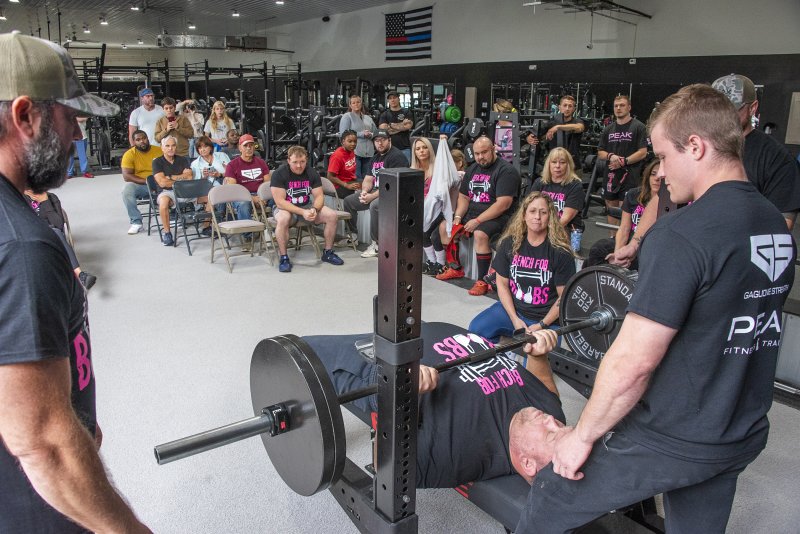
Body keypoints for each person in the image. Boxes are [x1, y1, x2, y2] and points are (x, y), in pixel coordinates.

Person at [517, 84, 796, 534]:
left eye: (664, 157)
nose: (660, 173)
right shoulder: (773, 223)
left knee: (554, 492)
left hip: (675, 436)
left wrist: (580, 438)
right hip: (738, 430)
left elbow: (633, 361)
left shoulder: (681, 233)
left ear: (697, 146)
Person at [0, 32, 150, 533]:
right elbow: (42, 443)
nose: (78, 138)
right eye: (69, 119)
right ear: (26, 116)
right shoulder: (23, 246)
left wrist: (76, 412)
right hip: (35, 503)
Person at [303, 322, 568, 488]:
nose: (550, 420)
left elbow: (386, 470)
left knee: (298, 353)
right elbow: (547, 391)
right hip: (425, 333)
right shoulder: (547, 414)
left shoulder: (465, 456)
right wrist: (540, 356)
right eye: (560, 425)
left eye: (551, 432)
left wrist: (405, 394)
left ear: (528, 464)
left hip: (382, 371)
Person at [469, 192, 575, 345]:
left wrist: (541, 325)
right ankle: (508, 344)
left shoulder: (561, 252)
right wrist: (515, 319)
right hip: (514, 311)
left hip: (546, 319)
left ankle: (516, 344)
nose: (537, 217)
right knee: (475, 330)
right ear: (524, 215)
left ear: (550, 217)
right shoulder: (509, 243)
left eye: (543, 212)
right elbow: (502, 285)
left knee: (533, 361)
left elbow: (563, 298)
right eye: (532, 211)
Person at [712, 73, 800, 230]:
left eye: (732, 109)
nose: (723, 116)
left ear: (752, 108)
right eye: (717, 109)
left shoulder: (776, 158)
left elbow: (781, 225)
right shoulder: (699, 146)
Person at [436, 136, 521, 296]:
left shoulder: (506, 171)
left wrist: (477, 221)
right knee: (445, 227)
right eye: (477, 153)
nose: (480, 157)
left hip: (499, 216)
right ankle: (455, 268)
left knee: (480, 234)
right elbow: (465, 197)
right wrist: (458, 217)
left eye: (484, 152)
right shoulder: (472, 169)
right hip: (473, 212)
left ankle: (482, 280)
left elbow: (503, 204)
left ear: (493, 149)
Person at [269, 145, 344, 272]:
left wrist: (314, 209)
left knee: (331, 215)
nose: (299, 166)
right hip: (285, 208)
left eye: (302, 162)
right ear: (288, 161)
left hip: (306, 205)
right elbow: (280, 202)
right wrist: (302, 212)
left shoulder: (311, 172)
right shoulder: (279, 174)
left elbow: (319, 196)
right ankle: (284, 257)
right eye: (295, 162)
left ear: (306, 160)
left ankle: (328, 252)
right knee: (283, 219)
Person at [342, 129, 409, 258]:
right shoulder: (375, 157)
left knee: (375, 205)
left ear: (389, 140)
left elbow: (392, 184)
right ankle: (353, 235)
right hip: (376, 191)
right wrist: (364, 192)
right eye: (377, 141)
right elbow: (368, 179)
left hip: (393, 193)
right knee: (349, 201)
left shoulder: (397, 157)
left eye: (383, 140)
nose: (380, 143)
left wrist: (372, 197)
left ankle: (377, 244)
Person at [586, 159, 660, 269]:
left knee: (640, 261)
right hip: (631, 239)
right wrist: (617, 255)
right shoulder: (633, 194)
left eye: (661, 176)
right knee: (598, 250)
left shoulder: (671, 201)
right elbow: (624, 228)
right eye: (653, 174)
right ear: (647, 176)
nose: (657, 179)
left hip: (653, 245)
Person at [24, 189, 97, 290]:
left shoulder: (51, 198)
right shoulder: (19, 200)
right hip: (29, 237)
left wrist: (45, 201)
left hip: (52, 236)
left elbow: (58, 224)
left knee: (56, 232)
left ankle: (80, 275)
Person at [597, 95, 648, 230]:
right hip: (611, 175)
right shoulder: (608, 129)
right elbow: (600, 152)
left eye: (622, 105)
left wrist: (624, 161)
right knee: (611, 208)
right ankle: (613, 239)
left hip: (630, 176)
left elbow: (642, 152)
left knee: (625, 208)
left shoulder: (639, 127)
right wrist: (611, 156)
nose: (618, 108)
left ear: (629, 107)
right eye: (616, 106)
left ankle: (623, 241)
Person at [531, 148, 585, 252]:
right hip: (540, 225)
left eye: (562, 162)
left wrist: (543, 233)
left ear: (568, 165)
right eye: (554, 162)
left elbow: (565, 219)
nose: (557, 166)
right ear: (549, 164)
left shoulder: (575, 186)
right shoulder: (539, 183)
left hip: (564, 228)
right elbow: (530, 209)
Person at [152, 136, 193, 247]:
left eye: (173, 145)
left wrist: (170, 177)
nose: (171, 148)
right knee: (164, 202)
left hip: (185, 190)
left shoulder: (183, 159)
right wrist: (181, 177)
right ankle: (167, 233)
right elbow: (162, 183)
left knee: (209, 196)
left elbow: (189, 177)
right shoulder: (157, 162)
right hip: (167, 192)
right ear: (162, 147)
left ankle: (206, 226)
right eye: (167, 146)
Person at [121, 130, 163, 235]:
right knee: (127, 190)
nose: (142, 141)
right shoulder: (129, 154)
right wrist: (147, 181)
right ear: (134, 142)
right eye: (138, 140)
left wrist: (160, 180)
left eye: (143, 138)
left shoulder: (159, 151)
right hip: (142, 185)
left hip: (160, 183)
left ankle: (172, 215)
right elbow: (126, 176)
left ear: (147, 138)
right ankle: (136, 222)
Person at [223, 133, 270, 224]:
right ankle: (248, 235)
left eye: (251, 145)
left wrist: (263, 198)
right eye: (245, 146)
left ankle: (273, 231)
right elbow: (234, 189)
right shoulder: (232, 165)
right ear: (240, 148)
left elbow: (267, 184)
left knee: (278, 199)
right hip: (240, 196)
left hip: (260, 194)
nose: (249, 148)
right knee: (244, 204)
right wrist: (253, 198)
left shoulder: (261, 162)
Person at [526, 95, 585, 165]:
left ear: (574, 109)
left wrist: (558, 127)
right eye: (565, 105)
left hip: (573, 163)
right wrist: (529, 138)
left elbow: (580, 127)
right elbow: (535, 134)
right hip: (554, 163)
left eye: (570, 106)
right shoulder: (552, 122)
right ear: (559, 107)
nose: (567, 108)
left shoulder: (577, 121)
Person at [338, 94, 377, 180]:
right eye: (353, 103)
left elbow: (375, 132)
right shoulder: (347, 116)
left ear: (361, 103)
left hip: (369, 153)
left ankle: (365, 193)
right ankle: (357, 194)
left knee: (368, 179)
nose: (356, 104)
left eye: (358, 102)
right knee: (356, 178)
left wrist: (371, 135)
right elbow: (343, 134)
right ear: (350, 105)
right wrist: (361, 134)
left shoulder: (368, 118)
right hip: (355, 152)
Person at [378, 91, 414, 162]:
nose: (392, 100)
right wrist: (402, 125)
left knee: (405, 171)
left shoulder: (406, 112)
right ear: (388, 100)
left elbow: (407, 126)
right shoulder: (384, 114)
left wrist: (390, 126)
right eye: (390, 98)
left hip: (405, 148)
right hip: (389, 149)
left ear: (398, 99)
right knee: (389, 171)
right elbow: (384, 129)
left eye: (394, 98)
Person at [327, 129, 360, 198]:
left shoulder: (351, 151)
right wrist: (346, 185)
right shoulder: (337, 156)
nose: (353, 144)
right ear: (343, 142)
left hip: (350, 181)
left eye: (355, 141)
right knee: (359, 197)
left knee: (368, 188)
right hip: (339, 186)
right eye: (350, 141)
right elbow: (330, 177)